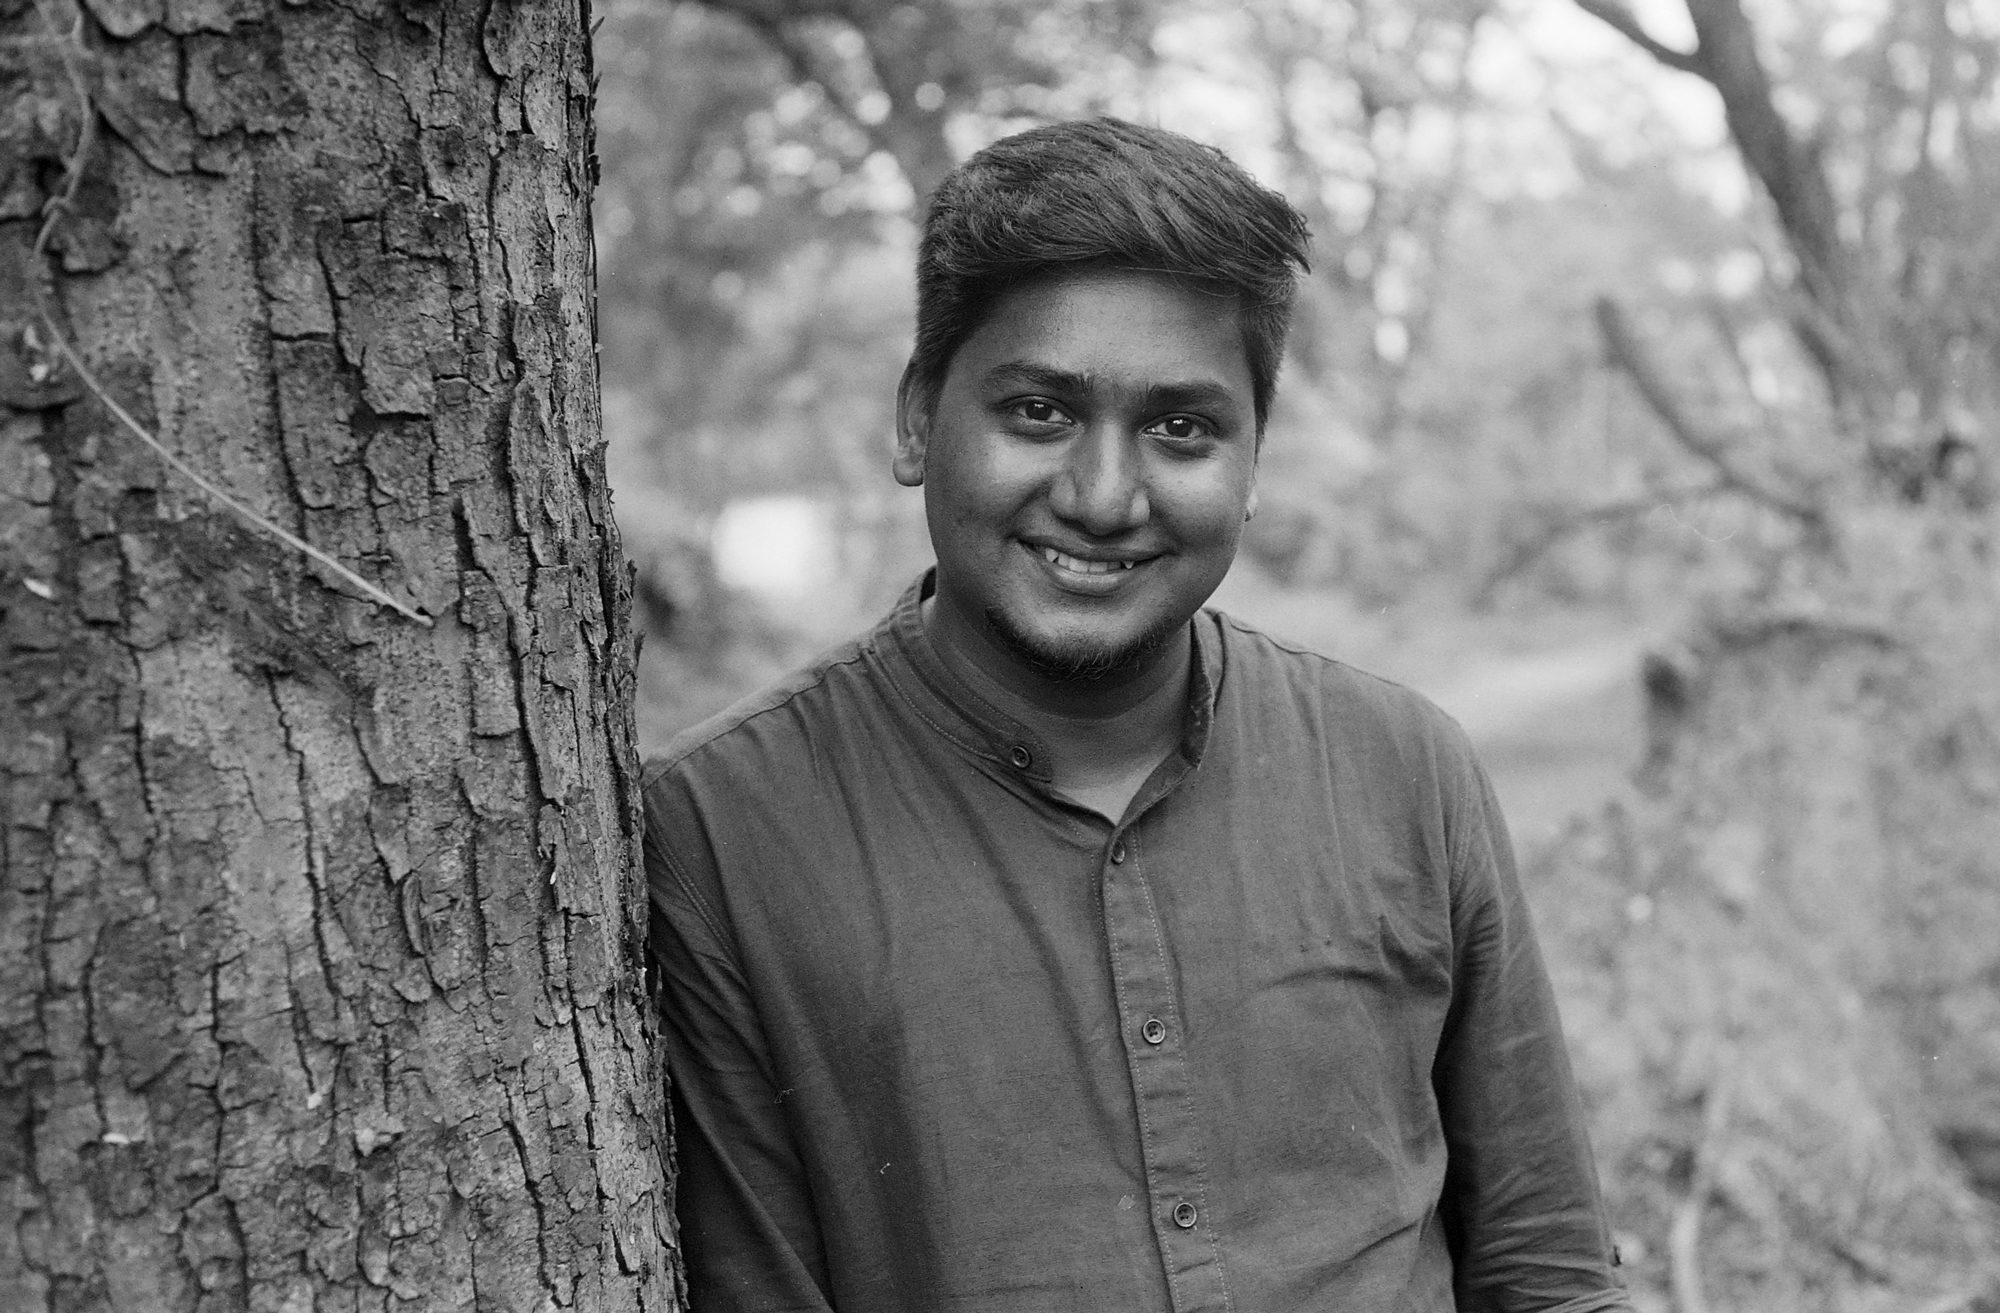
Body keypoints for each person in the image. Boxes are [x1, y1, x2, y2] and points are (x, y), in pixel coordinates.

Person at [643, 117, 1632, 1313]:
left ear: (1252, 461)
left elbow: (1548, 1268)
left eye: (1181, 427)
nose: (1104, 496)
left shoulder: (1402, 765)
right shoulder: (720, 831)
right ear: (917, 420)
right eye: (1039, 412)